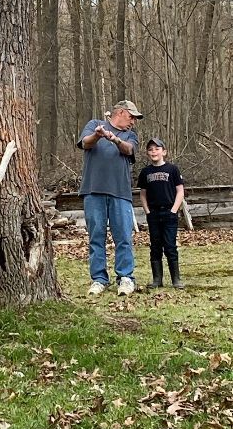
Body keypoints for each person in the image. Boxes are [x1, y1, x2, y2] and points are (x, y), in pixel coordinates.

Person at [77, 100, 142, 297]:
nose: (133, 122)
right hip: (93, 190)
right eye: (131, 117)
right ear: (120, 112)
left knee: (123, 236)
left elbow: (129, 150)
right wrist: (98, 135)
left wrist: (114, 139)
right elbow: (85, 143)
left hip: (120, 193)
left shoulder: (130, 135)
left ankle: (126, 277)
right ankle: (98, 279)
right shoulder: (94, 124)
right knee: (96, 237)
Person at [137, 138, 185, 290]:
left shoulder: (172, 169)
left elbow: (180, 191)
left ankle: (176, 279)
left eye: (157, 149)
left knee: (170, 246)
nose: (153, 152)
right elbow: (142, 194)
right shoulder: (145, 172)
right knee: (155, 246)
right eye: (150, 149)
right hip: (154, 214)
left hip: (169, 213)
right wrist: (148, 211)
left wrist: (174, 210)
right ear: (147, 153)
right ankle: (157, 279)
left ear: (164, 152)